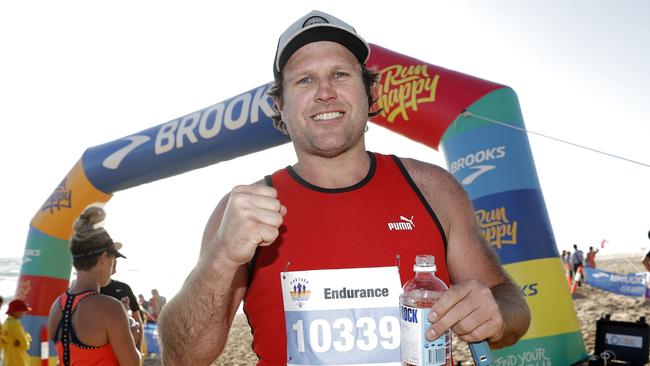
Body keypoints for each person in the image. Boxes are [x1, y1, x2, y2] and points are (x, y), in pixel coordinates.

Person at [158, 10, 530, 365]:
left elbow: (514, 310)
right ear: (279, 105)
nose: (325, 92)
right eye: (304, 79)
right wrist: (222, 258)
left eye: (340, 75)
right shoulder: (239, 211)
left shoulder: (434, 189)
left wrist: (495, 311)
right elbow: (180, 357)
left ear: (371, 95)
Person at [47, 205, 141, 366]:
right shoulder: (109, 307)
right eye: (113, 258)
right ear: (104, 257)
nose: (113, 266)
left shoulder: (57, 306)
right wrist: (131, 337)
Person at [100, 258, 144, 349]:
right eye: (112, 263)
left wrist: (138, 349)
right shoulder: (88, 291)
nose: (114, 267)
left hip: (123, 350)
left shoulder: (124, 288)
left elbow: (138, 322)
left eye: (115, 263)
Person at [1, 299, 32, 366]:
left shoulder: (6, 322)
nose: (24, 313)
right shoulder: (14, 323)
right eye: (23, 311)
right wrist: (27, 339)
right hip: (18, 359)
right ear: (16, 311)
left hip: (8, 359)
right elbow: (25, 344)